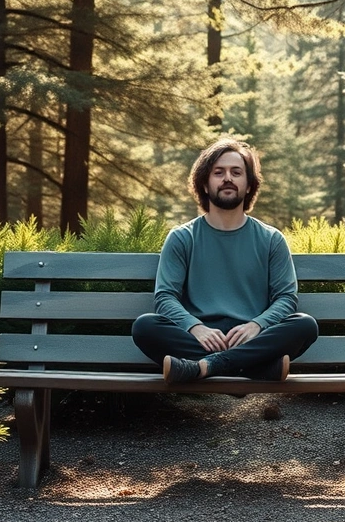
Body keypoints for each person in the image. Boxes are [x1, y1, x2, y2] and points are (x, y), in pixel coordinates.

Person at [132, 138, 319, 384]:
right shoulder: (182, 237)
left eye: (236, 172)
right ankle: (256, 368)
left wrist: (257, 326)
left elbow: (286, 299)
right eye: (218, 172)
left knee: (305, 326)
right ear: (205, 185)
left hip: (252, 336)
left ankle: (206, 366)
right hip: (201, 335)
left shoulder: (272, 239)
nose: (227, 178)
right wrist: (195, 327)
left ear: (249, 185)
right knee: (145, 327)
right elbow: (165, 297)